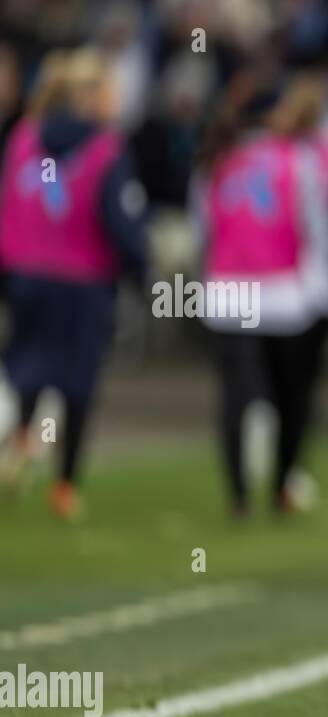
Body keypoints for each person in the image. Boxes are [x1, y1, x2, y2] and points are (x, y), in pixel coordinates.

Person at [191, 69, 328, 518]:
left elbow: (201, 228)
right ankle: (283, 483)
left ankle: (239, 496)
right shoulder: (296, 158)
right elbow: (317, 228)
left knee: (235, 396)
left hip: (227, 293)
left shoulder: (215, 157)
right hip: (285, 294)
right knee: (293, 395)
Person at [0, 47, 148, 519]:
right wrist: (143, 271)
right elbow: (119, 220)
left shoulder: (23, 137)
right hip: (81, 279)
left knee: (28, 365)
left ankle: (24, 433)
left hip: (24, 272)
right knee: (77, 382)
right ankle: (64, 485)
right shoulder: (106, 148)